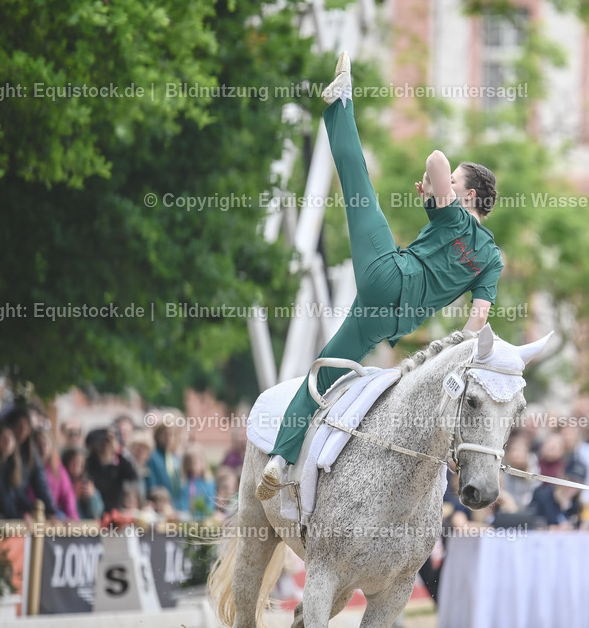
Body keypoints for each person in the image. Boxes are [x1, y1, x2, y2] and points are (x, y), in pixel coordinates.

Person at [259, 52, 503, 498]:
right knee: (328, 366)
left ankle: (340, 104)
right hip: (393, 322)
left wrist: (435, 185)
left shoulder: (455, 217)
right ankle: (278, 462)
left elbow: (434, 157)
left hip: (387, 278)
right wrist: (448, 356)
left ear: (466, 194)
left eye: (454, 184)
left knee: (359, 190)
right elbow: (477, 321)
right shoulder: (493, 258)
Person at [1, 408, 57, 517]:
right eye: (19, 426)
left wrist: (50, 511)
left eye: (27, 427)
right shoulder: (3, 452)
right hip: (4, 512)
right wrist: (28, 509)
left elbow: (40, 483)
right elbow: (9, 489)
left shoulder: (31, 451)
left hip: (20, 511)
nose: (23, 430)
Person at [85, 428, 139, 512]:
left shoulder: (119, 465)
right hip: (93, 514)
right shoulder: (88, 464)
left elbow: (133, 476)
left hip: (114, 513)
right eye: (102, 442)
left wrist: (117, 451)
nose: (105, 446)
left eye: (108, 442)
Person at [33, 429, 78, 520]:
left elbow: (68, 495)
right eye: (38, 444)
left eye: (45, 443)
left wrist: (71, 516)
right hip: (32, 515)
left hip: (53, 518)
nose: (42, 448)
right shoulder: (27, 468)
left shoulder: (58, 469)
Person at [61, 447, 103, 520]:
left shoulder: (86, 482)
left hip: (85, 526)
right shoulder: (61, 480)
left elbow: (96, 513)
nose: (77, 465)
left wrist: (93, 495)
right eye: (74, 461)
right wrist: (74, 496)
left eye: (80, 462)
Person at [145, 425, 183, 506]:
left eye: (171, 435)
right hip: (158, 505)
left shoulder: (174, 458)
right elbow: (151, 486)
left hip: (173, 505)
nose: (168, 438)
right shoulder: (152, 457)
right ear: (158, 436)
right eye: (165, 434)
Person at [176, 445, 216, 518]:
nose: (192, 467)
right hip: (185, 517)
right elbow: (179, 500)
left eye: (195, 463)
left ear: (203, 462)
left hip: (202, 519)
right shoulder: (183, 481)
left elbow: (211, 503)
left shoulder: (208, 482)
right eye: (189, 463)